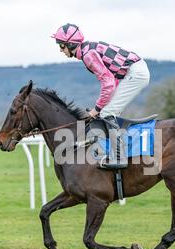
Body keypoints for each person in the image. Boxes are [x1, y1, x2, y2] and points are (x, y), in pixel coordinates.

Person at [51, 23, 151, 169]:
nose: (61, 50)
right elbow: (113, 80)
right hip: (134, 71)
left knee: (107, 112)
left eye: (61, 45)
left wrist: (96, 109)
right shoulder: (87, 49)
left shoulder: (88, 55)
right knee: (106, 112)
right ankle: (113, 150)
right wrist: (99, 108)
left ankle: (118, 157)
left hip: (136, 73)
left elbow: (109, 83)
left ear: (71, 44)